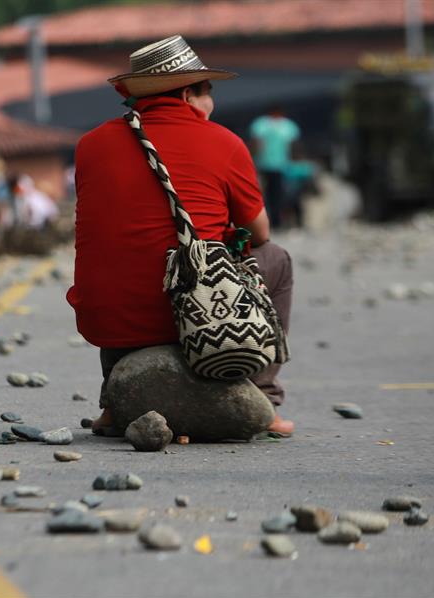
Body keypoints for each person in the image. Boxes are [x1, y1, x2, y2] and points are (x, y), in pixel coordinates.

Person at [67, 35, 295, 437]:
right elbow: (260, 231)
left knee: (122, 253)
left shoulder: (90, 144)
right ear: (189, 93)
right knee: (276, 258)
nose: (213, 104)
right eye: (210, 94)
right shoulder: (224, 142)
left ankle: (111, 401)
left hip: (110, 318)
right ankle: (263, 396)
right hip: (199, 315)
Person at [250, 104, 300, 230]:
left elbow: (256, 144)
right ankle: (274, 221)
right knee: (273, 194)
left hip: (278, 165)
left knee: (276, 194)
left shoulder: (262, 124)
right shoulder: (284, 125)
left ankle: (276, 220)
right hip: (271, 165)